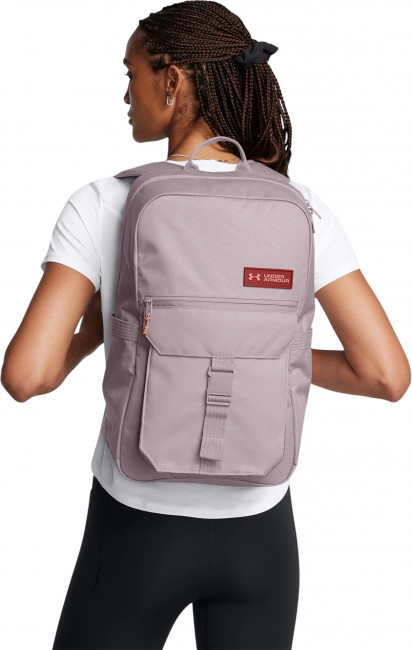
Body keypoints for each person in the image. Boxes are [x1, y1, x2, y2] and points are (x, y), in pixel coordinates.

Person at [1, 2, 410, 649]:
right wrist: (265, 353)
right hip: (261, 537)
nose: (125, 94)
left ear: (172, 80)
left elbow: (26, 376)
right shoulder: (302, 208)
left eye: (131, 73)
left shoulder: (103, 203)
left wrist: (104, 332)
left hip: (136, 530)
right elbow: (386, 376)